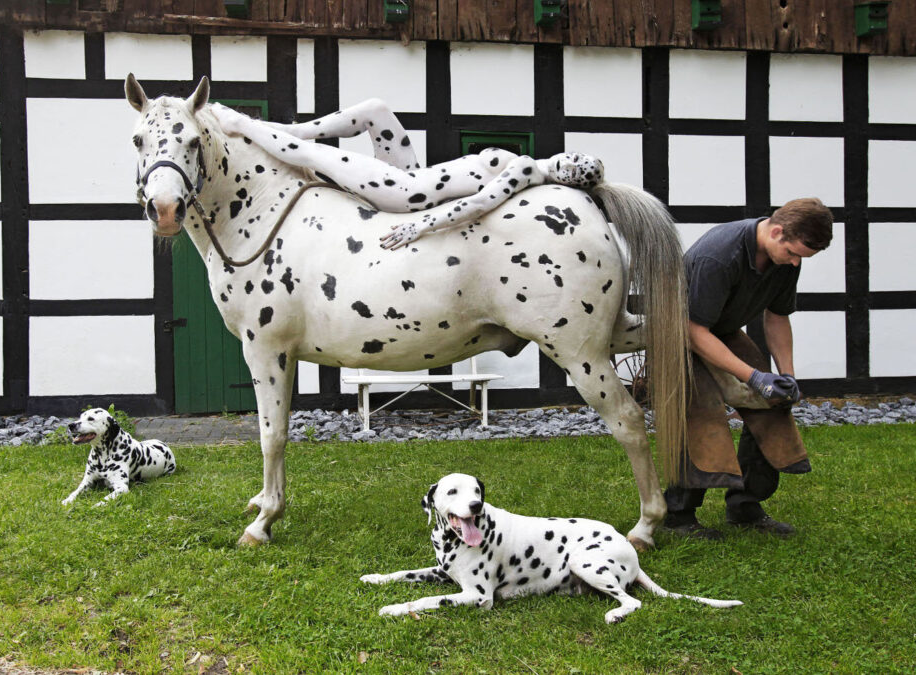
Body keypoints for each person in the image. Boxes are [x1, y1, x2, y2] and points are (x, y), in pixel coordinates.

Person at [209, 100, 605, 249]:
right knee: (376, 110)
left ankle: (240, 123)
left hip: (406, 192)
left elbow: (478, 204)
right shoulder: (530, 165)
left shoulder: (526, 170)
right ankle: (293, 130)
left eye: (574, 170)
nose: (567, 163)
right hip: (418, 176)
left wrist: (420, 227)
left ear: (568, 180)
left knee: (315, 156)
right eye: (576, 158)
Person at [663, 198, 834, 540]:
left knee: (772, 402)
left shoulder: (785, 258)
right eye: (794, 253)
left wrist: (786, 376)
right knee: (703, 413)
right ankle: (679, 517)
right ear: (776, 231)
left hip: (722, 332)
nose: (796, 262)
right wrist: (754, 376)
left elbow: (777, 315)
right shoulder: (719, 256)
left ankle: (744, 505)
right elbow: (694, 331)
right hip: (678, 336)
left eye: (802, 258)